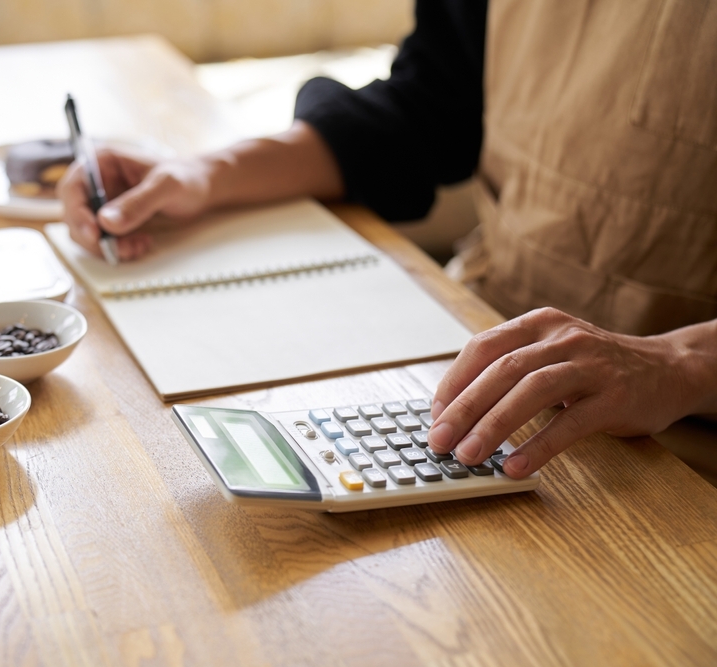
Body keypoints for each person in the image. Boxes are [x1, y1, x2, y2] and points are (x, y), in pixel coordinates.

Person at [60, 0, 717, 479]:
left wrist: (681, 361)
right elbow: (428, 107)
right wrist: (205, 173)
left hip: (680, 434)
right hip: (480, 346)